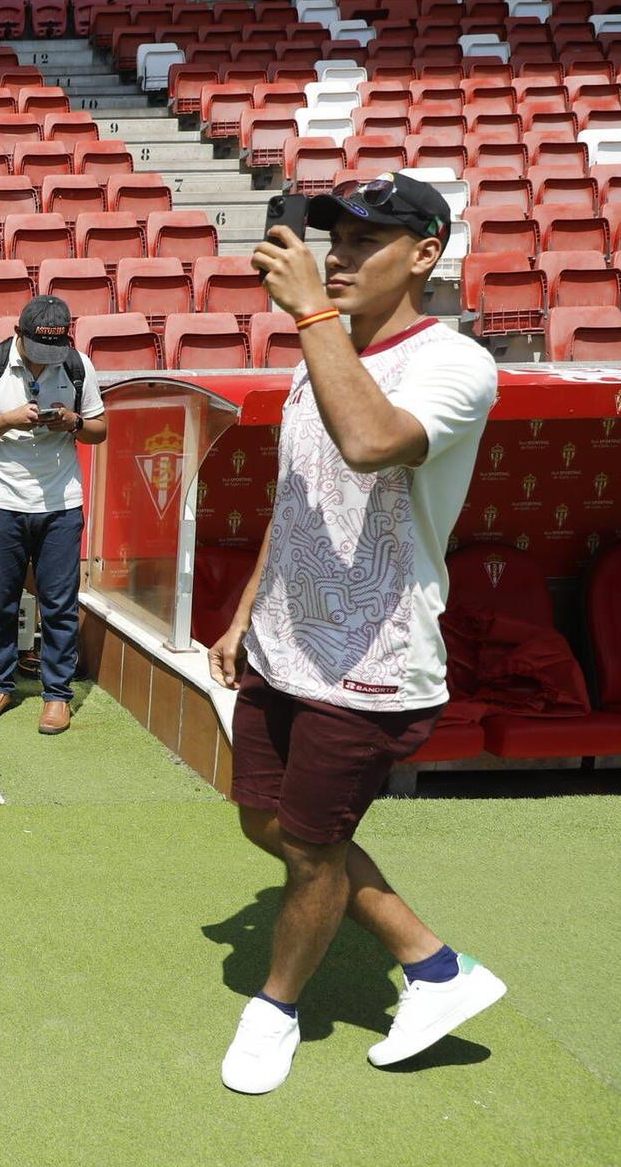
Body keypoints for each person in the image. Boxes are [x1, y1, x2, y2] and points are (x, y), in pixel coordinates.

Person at [212, 172, 504, 1095]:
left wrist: (311, 319)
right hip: (284, 644)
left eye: (363, 242)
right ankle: (433, 963)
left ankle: (278, 1006)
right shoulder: (323, 351)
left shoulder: (454, 364)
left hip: (371, 664)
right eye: (332, 238)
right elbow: (299, 497)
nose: (336, 255)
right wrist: (247, 606)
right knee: (269, 819)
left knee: (308, 847)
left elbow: (370, 443)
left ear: (424, 256)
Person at [0, 294, 108, 735]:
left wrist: (73, 422)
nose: (45, 361)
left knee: (59, 604)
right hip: (2, 501)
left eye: (52, 353)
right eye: (37, 350)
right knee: (0, 600)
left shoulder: (78, 366)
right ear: (17, 332)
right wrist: (8, 420)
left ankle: (57, 695)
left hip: (61, 504)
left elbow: (99, 430)